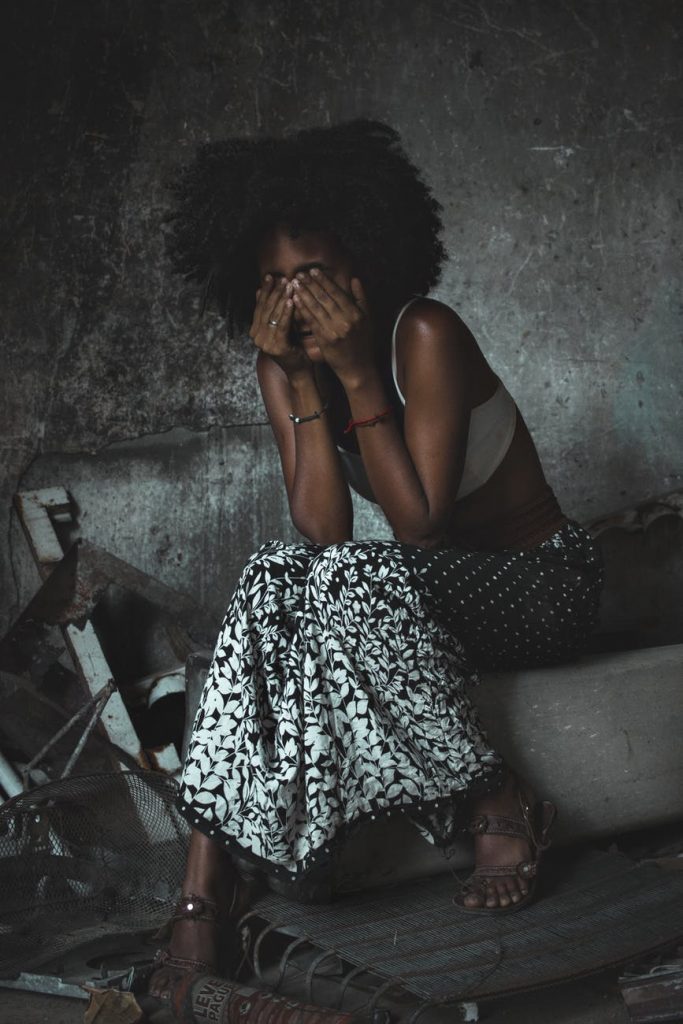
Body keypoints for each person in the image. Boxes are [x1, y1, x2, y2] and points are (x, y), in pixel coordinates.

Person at [150, 120, 603, 993]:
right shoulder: (279, 366)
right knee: (274, 574)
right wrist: (299, 378)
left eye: (312, 276)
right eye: (275, 281)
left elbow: (420, 527)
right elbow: (322, 533)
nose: (293, 298)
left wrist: (357, 374)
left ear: (365, 263)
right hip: (421, 607)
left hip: (542, 587)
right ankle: (204, 887)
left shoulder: (422, 335)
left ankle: (495, 794)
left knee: (349, 577)